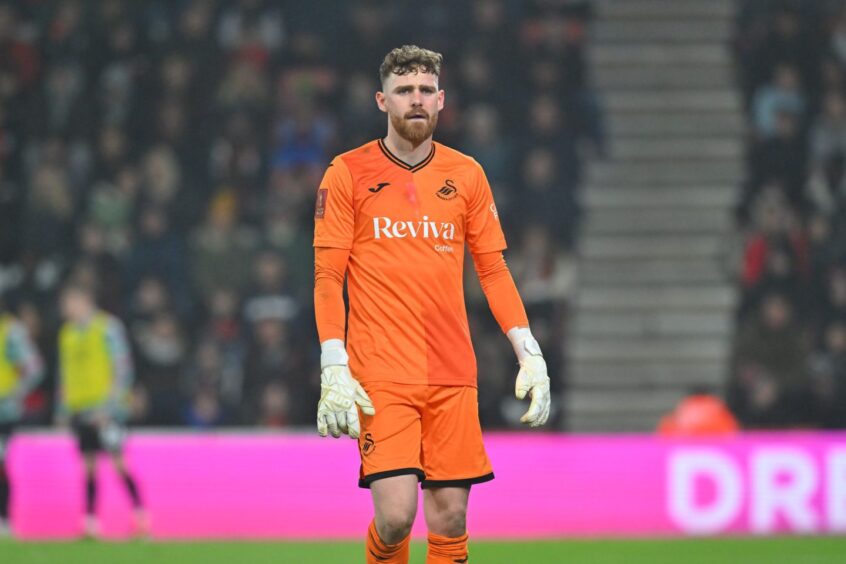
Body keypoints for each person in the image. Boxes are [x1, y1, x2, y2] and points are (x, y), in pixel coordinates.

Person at [313, 45, 551, 564]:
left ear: (441, 100)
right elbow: (328, 275)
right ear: (382, 100)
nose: (415, 100)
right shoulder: (347, 172)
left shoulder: (467, 174)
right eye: (403, 91)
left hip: (451, 371)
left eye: (425, 91)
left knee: (451, 519)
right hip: (380, 373)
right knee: (396, 517)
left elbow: (493, 270)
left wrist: (527, 350)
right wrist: (334, 361)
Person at [55, 284, 145, 537]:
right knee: (88, 466)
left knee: (119, 462)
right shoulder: (67, 334)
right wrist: (63, 409)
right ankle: (91, 522)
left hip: (108, 412)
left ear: (85, 301)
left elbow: (123, 368)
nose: (66, 309)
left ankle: (140, 514)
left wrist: (111, 406)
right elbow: (65, 374)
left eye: (70, 302)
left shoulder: (108, 328)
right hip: (81, 410)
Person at [0, 297, 44, 536]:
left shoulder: (11, 331)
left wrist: (13, 395)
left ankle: (4, 518)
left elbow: (34, 367)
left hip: (4, 412)